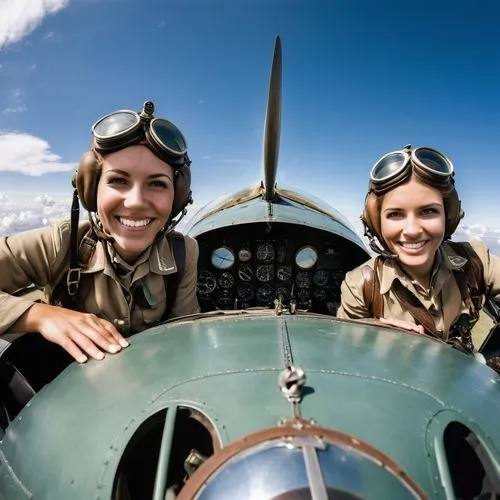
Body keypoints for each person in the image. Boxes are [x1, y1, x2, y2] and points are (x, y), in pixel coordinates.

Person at [0, 101, 200, 364]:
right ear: (91, 190)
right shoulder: (63, 243)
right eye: (119, 180)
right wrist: (42, 317)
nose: (136, 201)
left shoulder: (183, 253)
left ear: (178, 198)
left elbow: (184, 341)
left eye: (157, 183)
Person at [337, 145, 500, 353]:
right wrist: (370, 332)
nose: (412, 230)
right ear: (376, 224)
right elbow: (345, 354)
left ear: (449, 217)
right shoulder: (361, 287)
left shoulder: (477, 262)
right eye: (395, 214)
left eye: (428, 211)